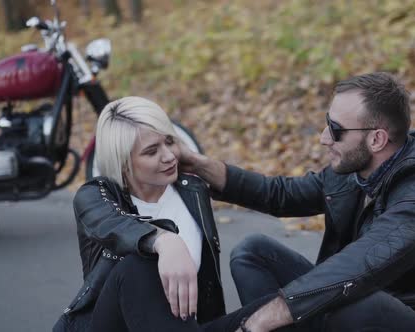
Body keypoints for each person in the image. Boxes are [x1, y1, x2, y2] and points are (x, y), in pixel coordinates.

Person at [179, 72, 415, 331]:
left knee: (353, 298)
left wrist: (263, 319)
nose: (325, 138)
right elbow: (281, 195)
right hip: (370, 297)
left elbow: (363, 263)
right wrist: (200, 166)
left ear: (377, 139)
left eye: (336, 129)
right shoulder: (357, 166)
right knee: (253, 252)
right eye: (328, 123)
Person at [53, 97, 271, 332]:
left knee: (278, 309)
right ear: (124, 162)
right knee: (140, 265)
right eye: (151, 151)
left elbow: (273, 194)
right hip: (116, 325)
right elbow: (111, 224)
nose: (169, 156)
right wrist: (163, 241)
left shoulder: (192, 191)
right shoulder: (96, 195)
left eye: (169, 141)